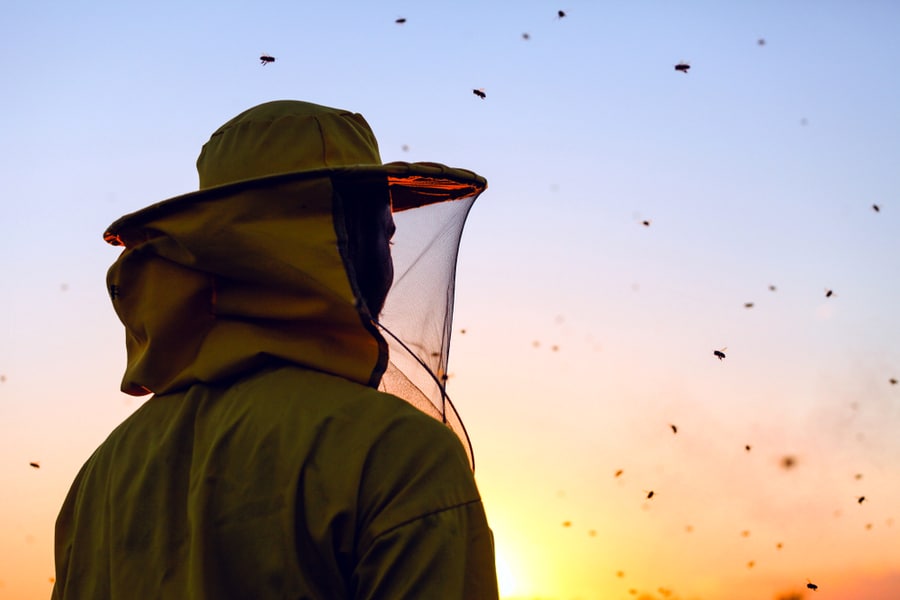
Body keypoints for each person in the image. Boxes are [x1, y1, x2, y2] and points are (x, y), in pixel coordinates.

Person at [52, 100, 499, 599]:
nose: (389, 270)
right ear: (324, 243)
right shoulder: (396, 451)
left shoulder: (101, 476)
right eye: (383, 239)